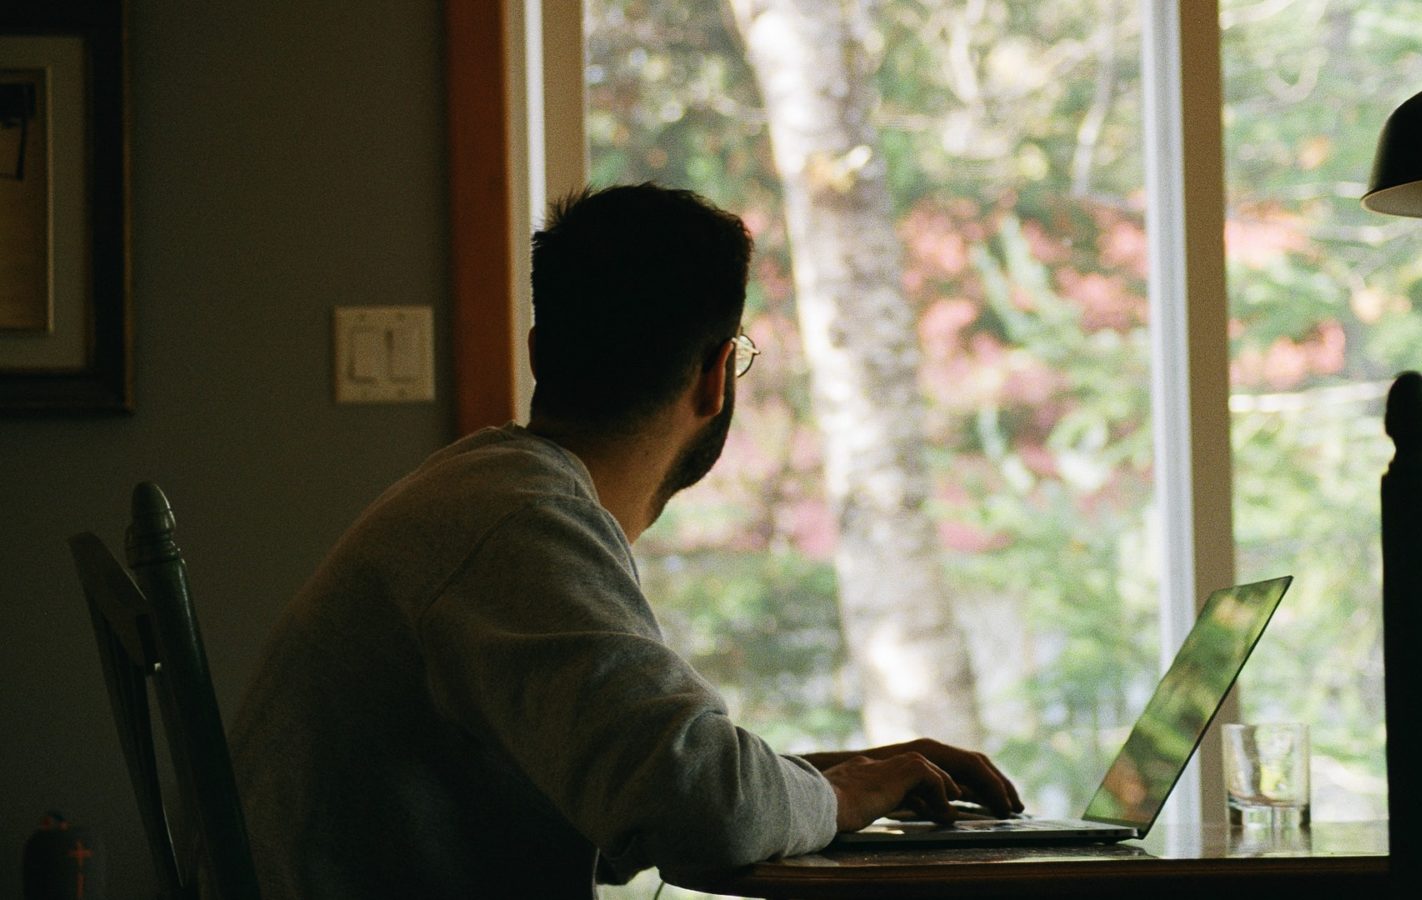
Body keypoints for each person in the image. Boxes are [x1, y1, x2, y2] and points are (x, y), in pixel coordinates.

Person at [226, 183, 1022, 899]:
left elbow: (640, 778)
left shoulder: (486, 496)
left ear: (540, 355)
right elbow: (701, 812)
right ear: (715, 378)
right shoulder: (519, 524)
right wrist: (840, 798)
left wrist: (824, 780)